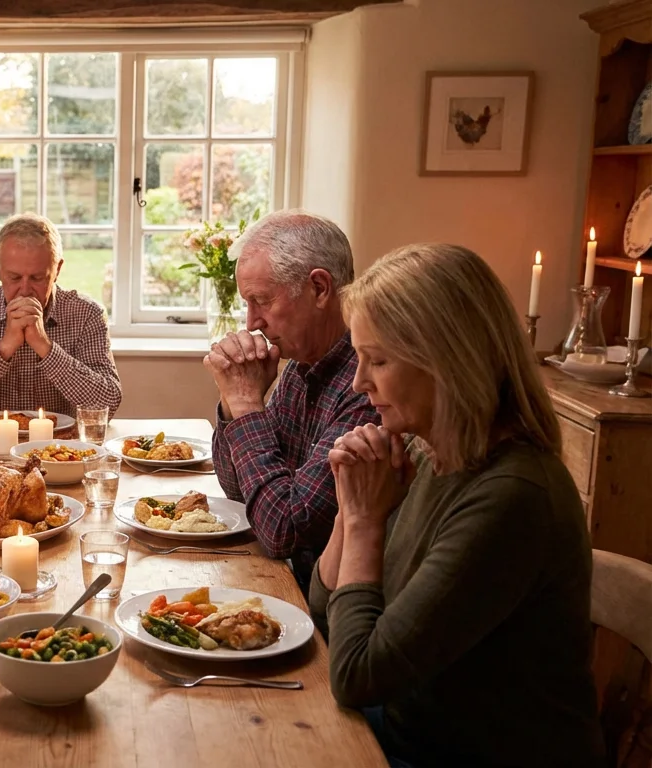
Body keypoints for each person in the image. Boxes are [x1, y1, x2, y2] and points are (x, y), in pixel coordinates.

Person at [312, 244, 602, 767]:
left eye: (377, 360)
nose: (359, 383)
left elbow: (356, 675)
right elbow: (323, 611)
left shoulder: (513, 495)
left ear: (447, 360)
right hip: (402, 731)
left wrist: (363, 520)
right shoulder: (427, 454)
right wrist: (349, 503)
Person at [206, 210, 378, 589]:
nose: (251, 322)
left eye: (261, 301)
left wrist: (248, 405)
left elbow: (283, 529)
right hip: (285, 583)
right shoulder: (302, 364)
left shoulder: (369, 387)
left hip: (320, 608)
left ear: (319, 288)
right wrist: (232, 402)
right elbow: (241, 491)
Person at [0, 212, 121, 420]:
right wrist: (3, 349)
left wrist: (45, 347)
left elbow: (108, 405)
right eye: (14, 277)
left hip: (61, 447)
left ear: (57, 269)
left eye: (38, 278)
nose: (25, 290)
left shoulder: (87, 314)